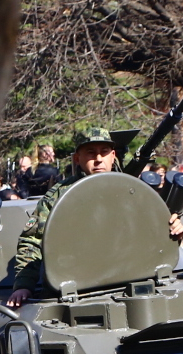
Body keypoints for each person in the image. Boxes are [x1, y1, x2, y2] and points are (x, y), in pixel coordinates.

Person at [7, 128, 123, 307]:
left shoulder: (128, 190)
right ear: (77, 159)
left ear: (113, 156)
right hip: (71, 291)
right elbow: (32, 240)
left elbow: (152, 228)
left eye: (104, 152)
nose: (99, 159)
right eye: (91, 153)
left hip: (123, 285)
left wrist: (173, 227)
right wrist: (24, 285)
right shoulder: (58, 196)